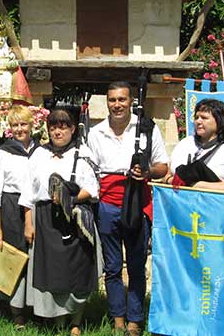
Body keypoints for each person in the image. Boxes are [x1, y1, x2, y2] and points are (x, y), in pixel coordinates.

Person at [87, 81, 169, 336]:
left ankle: (135, 319)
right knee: (112, 266)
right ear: (107, 102)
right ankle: (117, 317)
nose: (117, 105)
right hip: (108, 204)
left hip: (137, 202)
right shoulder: (96, 132)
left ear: (131, 101)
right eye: (112, 100)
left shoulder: (146, 128)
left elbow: (163, 167)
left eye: (122, 99)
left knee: (135, 265)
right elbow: (91, 172)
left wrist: (146, 171)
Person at [20, 109, 100, 336]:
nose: (57, 131)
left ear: (73, 128)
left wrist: (69, 199)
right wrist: (28, 222)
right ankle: (59, 320)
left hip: (73, 218)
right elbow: (28, 191)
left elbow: (93, 188)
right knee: (53, 272)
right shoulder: (38, 154)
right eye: (53, 126)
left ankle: (76, 321)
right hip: (45, 218)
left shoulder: (83, 153)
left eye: (63, 126)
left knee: (76, 270)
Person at [0, 105, 37, 329]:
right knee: (11, 257)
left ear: (32, 125)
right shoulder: (1, 154)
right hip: (9, 208)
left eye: (23, 124)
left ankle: (34, 307)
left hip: (36, 209)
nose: (19, 129)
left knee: (33, 259)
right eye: (15, 125)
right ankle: (16, 312)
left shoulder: (41, 152)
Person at [166, 98, 224, 191]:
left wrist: (195, 185)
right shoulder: (185, 143)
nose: (198, 121)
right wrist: (171, 181)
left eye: (204, 118)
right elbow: (168, 175)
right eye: (196, 117)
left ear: (219, 120)